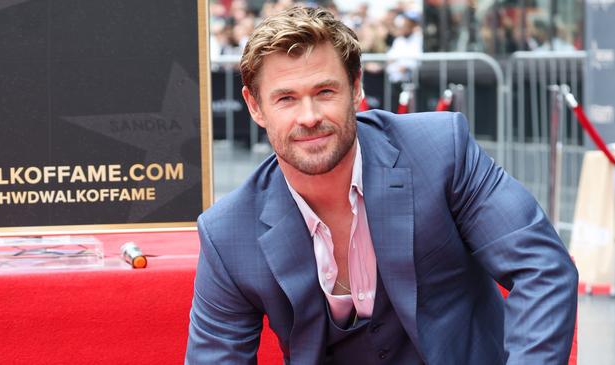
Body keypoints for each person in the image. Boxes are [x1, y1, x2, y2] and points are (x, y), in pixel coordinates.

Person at [186, 5, 577, 364]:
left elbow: (541, 267)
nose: (309, 116)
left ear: (356, 89)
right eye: (286, 98)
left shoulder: (440, 152)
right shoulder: (229, 232)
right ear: (255, 107)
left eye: (325, 91)